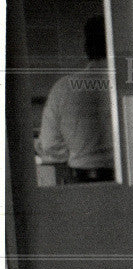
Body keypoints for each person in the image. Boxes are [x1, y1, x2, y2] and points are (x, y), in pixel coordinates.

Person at [35, 15, 115, 183]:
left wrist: (77, 151)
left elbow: (49, 145)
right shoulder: (131, 86)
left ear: (87, 46)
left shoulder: (63, 88)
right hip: (132, 179)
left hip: (81, 181)